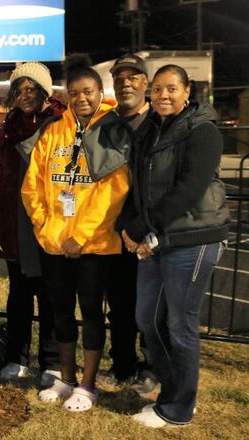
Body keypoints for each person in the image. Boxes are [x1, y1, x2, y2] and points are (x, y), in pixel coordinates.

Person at [21, 56, 131, 412]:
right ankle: (66, 377)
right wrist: (45, 227)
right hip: (54, 243)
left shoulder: (113, 129)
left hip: (95, 245)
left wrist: (80, 236)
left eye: (88, 91)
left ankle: (88, 384)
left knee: (92, 313)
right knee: (60, 312)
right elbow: (33, 185)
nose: (81, 98)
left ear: (100, 92)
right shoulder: (54, 130)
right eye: (74, 93)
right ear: (66, 97)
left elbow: (114, 192)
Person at [124, 65, 229, 428]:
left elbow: (190, 188)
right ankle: (173, 393)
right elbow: (138, 184)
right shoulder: (150, 129)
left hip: (193, 238)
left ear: (187, 92)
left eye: (172, 88)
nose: (163, 95)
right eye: (157, 89)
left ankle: (179, 409)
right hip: (158, 238)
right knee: (148, 318)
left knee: (180, 324)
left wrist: (142, 226)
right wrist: (130, 225)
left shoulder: (203, 131)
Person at [0, 62, 64, 385]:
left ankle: (52, 362)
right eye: (19, 90)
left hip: (50, 221)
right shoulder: (10, 125)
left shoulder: (60, 122)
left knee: (51, 295)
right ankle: (15, 357)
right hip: (15, 222)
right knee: (18, 294)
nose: (25, 95)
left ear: (44, 90)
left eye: (31, 88)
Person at [103, 54, 157, 393]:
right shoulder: (106, 123)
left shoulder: (160, 121)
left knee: (152, 306)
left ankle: (152, 368)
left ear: (145, 83)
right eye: (120, 77)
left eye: (133, 77)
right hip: (113, 230)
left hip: (149, 228)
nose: (126, 83)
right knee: (120, 305)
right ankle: (122, 363)